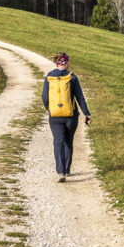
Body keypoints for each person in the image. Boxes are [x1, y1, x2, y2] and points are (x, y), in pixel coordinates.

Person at [41, 51, 91, 182]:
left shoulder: (49, 77)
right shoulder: (72, 77)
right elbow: (80, 97)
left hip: (55, 116)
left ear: (57, 63)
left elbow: (45, 97)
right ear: (67, 62)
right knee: (68, 141)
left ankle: (61, 171)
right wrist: (87, 113)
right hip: (71, 116)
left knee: (58, 141)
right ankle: (67, 169)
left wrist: (49, 108)